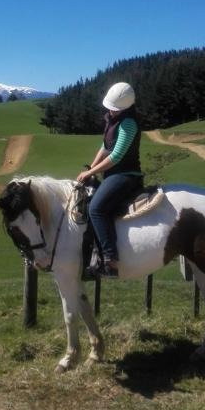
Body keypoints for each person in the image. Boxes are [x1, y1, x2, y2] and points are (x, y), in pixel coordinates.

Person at [76, 82, 143, 277]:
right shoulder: (113, 120)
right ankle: (91, 254)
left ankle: (110, 260)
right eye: (110, 108)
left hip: (127, 175)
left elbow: (116, 156)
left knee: (95, 209)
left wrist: (89, 174)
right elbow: (105, 147)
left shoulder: (129, 123)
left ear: (125, 107)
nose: (111, 111)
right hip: (113, 174)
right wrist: (91, 167)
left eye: (115, 109)